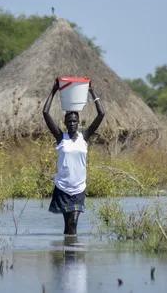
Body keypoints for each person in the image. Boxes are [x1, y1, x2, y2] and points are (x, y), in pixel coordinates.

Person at [42, 78, 105, 235]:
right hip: (63, 187)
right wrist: (54, 90)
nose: (71, 124)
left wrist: (91, 91)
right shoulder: (60, 137)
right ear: (65, 122)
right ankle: (67, 254)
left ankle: (73, 256)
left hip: (78, 188)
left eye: (74, 121)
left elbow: (102, 113)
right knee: (67, 226)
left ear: (78, 122)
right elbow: (45, 113)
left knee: (74, 222)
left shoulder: (84, 137)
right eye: (69, 121)